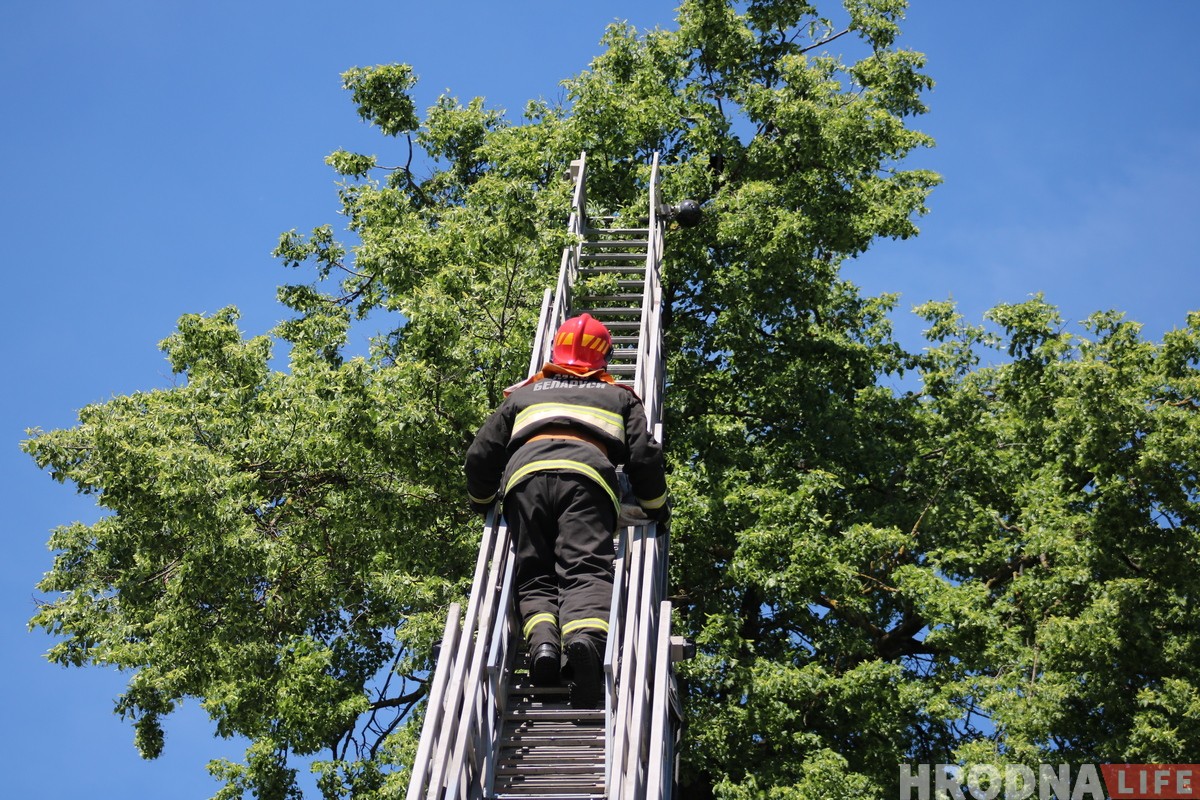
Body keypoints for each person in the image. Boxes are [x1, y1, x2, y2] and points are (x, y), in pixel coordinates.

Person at [465, 313, 669, 708]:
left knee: (534, 573)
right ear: (604, 359)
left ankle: (543, 647)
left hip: (524, 483)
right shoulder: (620, 397)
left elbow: (480, 454)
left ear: (555, 351)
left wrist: (483, 500)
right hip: (586, 483)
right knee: (585, 567)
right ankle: (584, 642)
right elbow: (644, 458)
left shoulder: (523, 395)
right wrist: (655, 506)